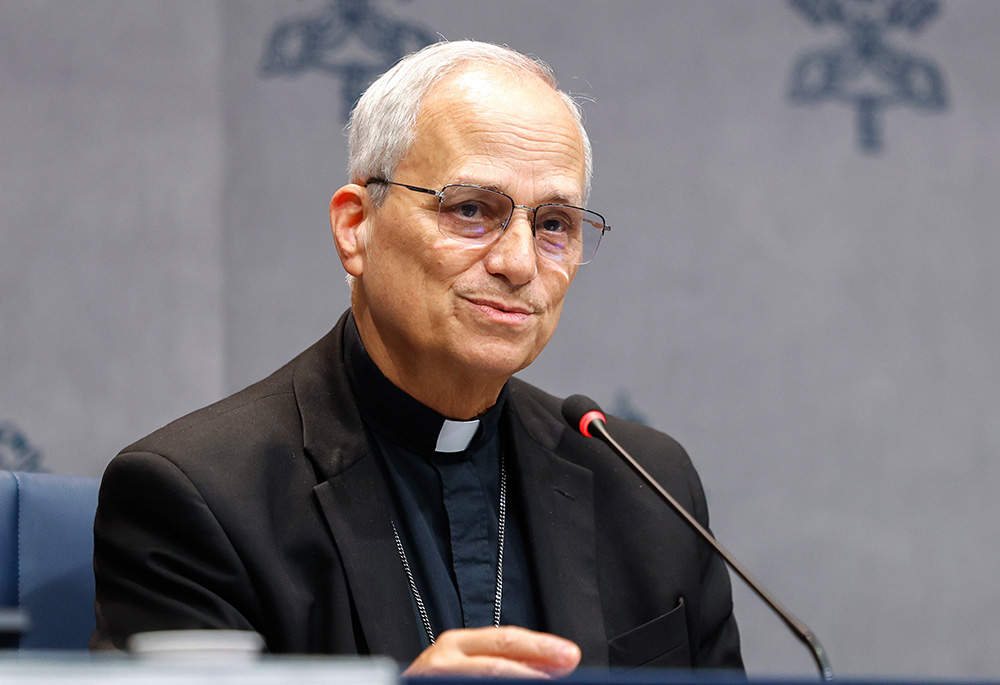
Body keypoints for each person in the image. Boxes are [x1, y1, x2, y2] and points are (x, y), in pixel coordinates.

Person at [91, 40, 743, 677]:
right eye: (470, 210)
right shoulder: (201, 496)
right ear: (356, 227)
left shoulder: (650, 489)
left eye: (553, 224)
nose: (518, 263)